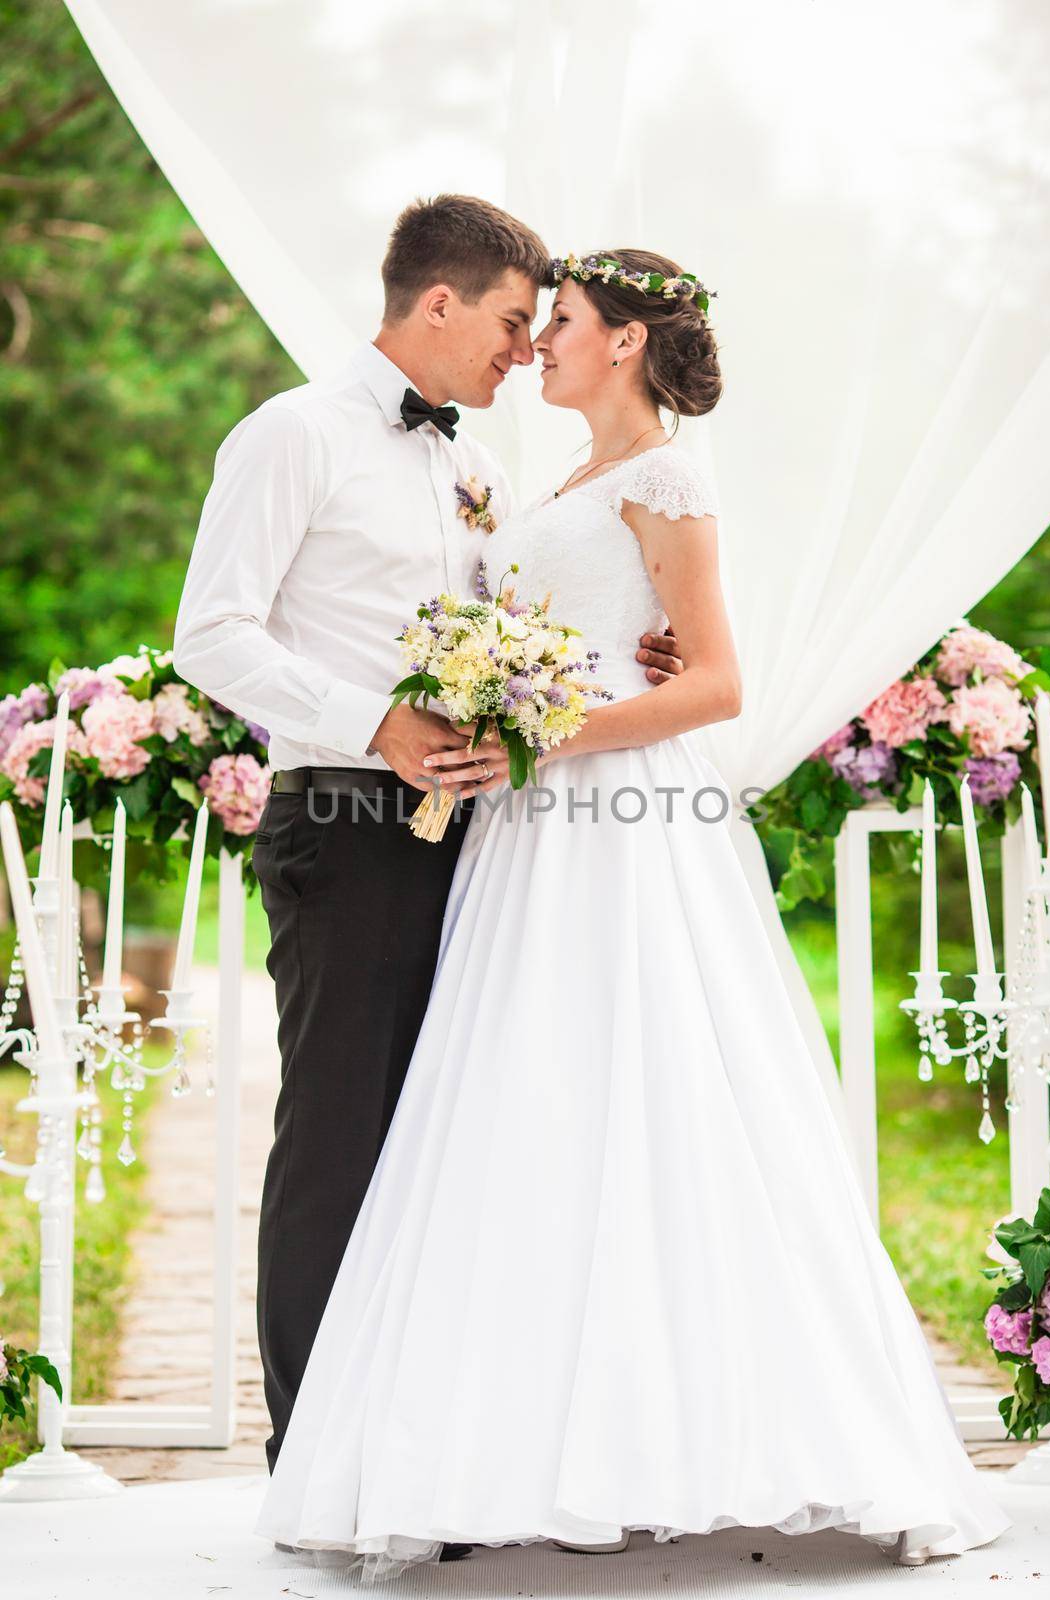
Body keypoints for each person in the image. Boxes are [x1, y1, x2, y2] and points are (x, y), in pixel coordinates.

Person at [250, 248, 1012, 1580]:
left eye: (563, 325)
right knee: (525, 1101)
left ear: (626, 341)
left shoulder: (668, 475)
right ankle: (517, 1443)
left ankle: (714, 1436)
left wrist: (547, 734)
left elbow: (715, 682)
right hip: (528, 826)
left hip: (607, 818)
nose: (538, 342)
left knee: (652, 1087)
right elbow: (603, 633)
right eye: (531, 322)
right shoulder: (566, 480)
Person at [171, 197, 684, 1524]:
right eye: (517, 323)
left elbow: (523, 622)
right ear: (441, 304)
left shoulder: (476, 467)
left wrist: (639, 659)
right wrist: (372, 725)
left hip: (482, 839)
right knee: (340, 1140)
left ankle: (417, 1456)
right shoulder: (291, 434)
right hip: (342, 826)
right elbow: (210, 637)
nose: (526, 351)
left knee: (448, 1149)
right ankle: (312, 1470)